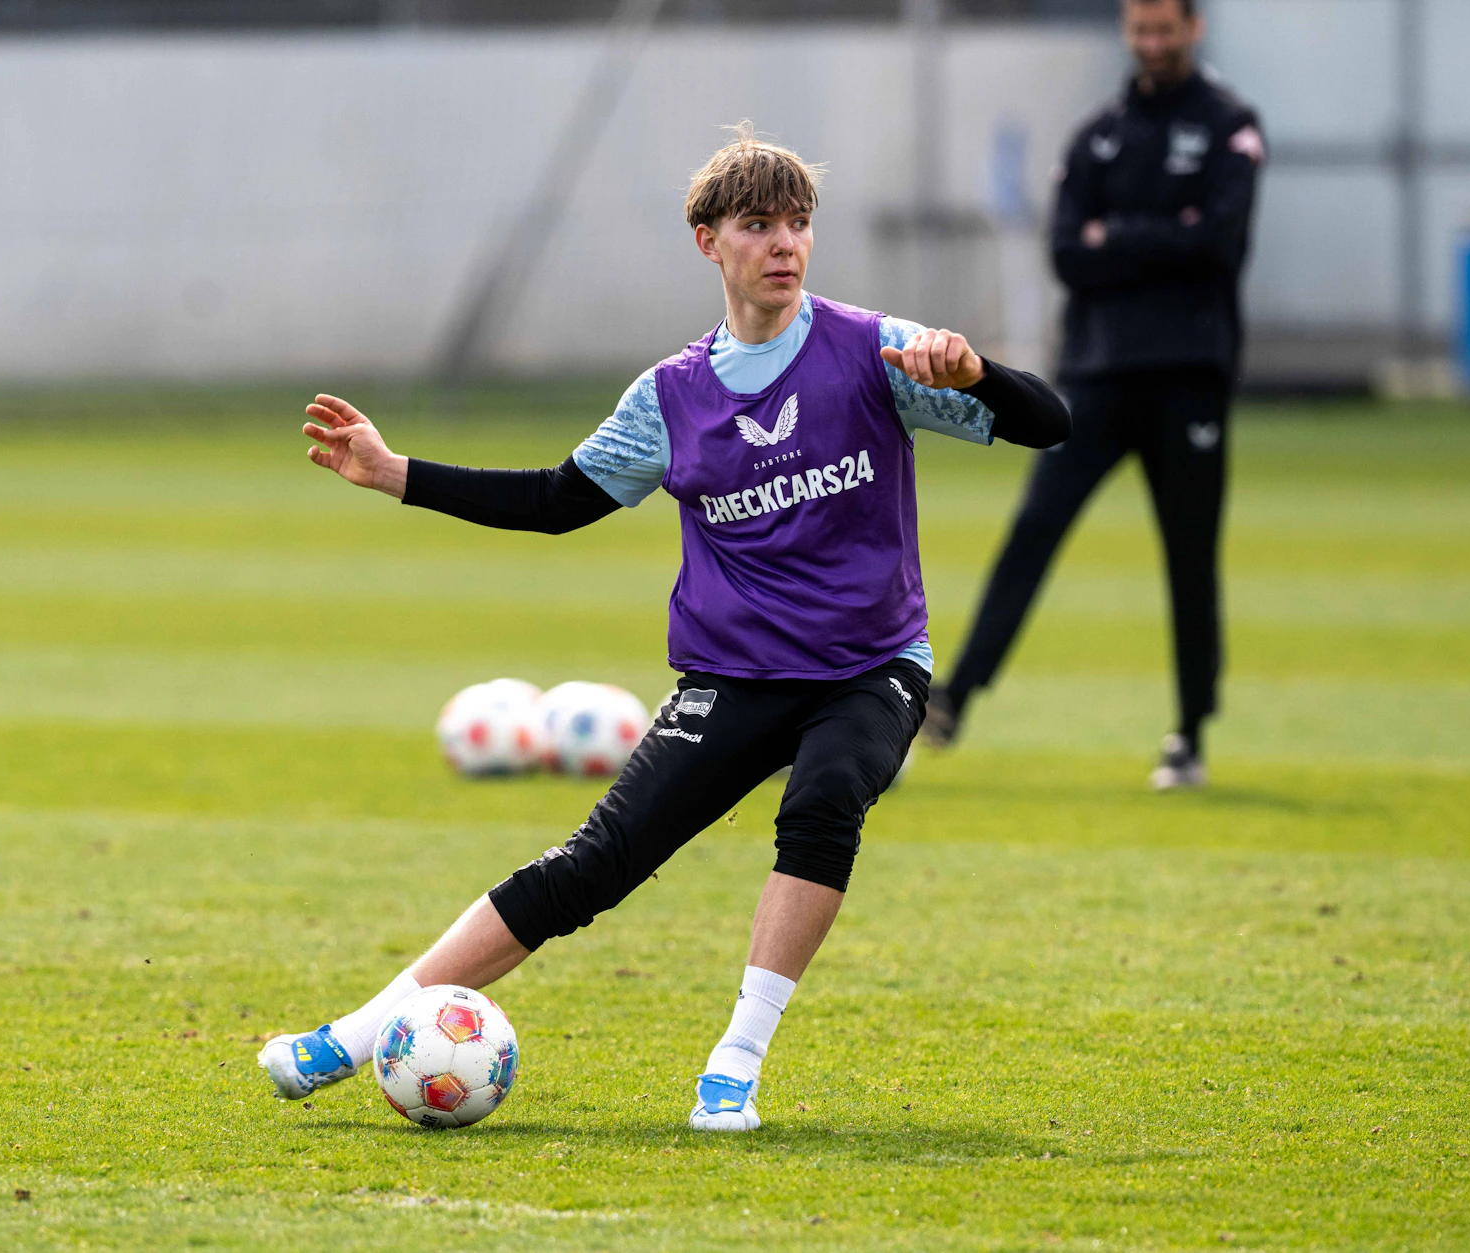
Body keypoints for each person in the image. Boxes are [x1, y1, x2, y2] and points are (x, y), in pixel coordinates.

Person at [258, 124, 1070, 1132]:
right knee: (590, 865)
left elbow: (1049, 423)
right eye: (757, 224)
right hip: (732, 672)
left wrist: (977, 373)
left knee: (822, 801)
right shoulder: (669, 396)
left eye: (798, 224)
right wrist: (394, 474)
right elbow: (559, 499)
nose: (783, 244)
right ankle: (357, 1028)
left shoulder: (874, 350)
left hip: (870, 665)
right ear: (707, 242)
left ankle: (734, 1061)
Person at [922, 0, 1262, 791]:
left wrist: (1123, 237)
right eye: (1139, 28)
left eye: (1164, 28)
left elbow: (1218, 243)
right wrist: (1157, 235)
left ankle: (1190, 731)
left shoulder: (1229, 126)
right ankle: (953, 700)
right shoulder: (1097, 133)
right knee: (1034, 528)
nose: (1151, 42)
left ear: (1193, 28)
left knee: (1188, 554)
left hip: (1189, 374)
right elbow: (1071, 255)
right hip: (1098, 374)